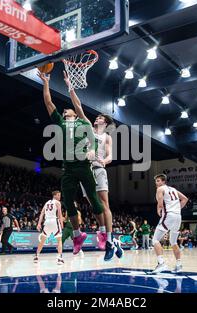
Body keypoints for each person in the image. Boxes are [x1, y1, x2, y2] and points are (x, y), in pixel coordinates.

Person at [38, 71, 109, 258]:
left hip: (83, 166)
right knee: (68, 203)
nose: (64, 110)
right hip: (68, 168)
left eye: (67, 109)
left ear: (74, 113)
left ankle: (102, 232)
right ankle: (78, 236)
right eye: (65, 111)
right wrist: (46, 83)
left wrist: (92, 150)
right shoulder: (60, 122)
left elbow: (93, 139)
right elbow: (48, 102)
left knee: (94, 199)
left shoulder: (82, 122)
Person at [80, 113, 123, 261]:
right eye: (96, 117)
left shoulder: (107, 137)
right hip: (85, 171)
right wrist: (71, 90)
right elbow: (79, 110)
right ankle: (108, 237)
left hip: (98, 169)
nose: (96, 119)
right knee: (94, 206)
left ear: (105, 123)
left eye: (100, 118)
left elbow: (110, 156)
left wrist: (104, 161)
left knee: (104, 204)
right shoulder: (88, 129)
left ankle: (110, 240)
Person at [151, 174, 188, 274]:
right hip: (178, 216)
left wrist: (159, 209)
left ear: (163, 181)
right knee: (173, 242)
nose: (156, 183)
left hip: (169, 216)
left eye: (158, 181)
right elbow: (185, 199)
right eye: (156, 181)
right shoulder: (174, 189)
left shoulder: (160, 189)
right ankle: (179, 265)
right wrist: (177, 209)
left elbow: (160, 204)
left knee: (155, 240)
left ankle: (161, 263)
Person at [34, 191, 64, 265]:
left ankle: (36, 256)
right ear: (54, 196)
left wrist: (39, 223)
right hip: (54, 221)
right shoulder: (57, 202)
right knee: (59, 240)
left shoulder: (47, 202)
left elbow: (42, 213)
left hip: (47, 222)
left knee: (42, 240)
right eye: (58, 195)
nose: (60, 197)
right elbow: (60, 214)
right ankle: (60, 259)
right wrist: (62, 224)